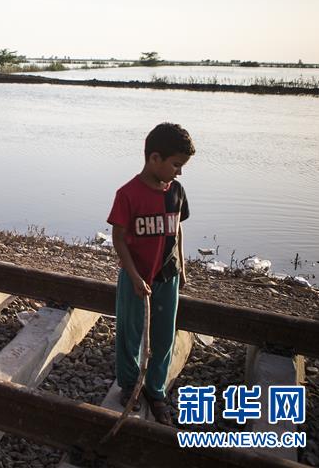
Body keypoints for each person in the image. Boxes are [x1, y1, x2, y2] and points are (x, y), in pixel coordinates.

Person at [107, 122, 195, 426]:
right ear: (154, 158)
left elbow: (178, 228)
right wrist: (132, 275)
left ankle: (156, 391)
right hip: (135, 277)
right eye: (176, 165)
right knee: (129, 334)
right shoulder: (128, 194)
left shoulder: (177, 191)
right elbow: (119, 237)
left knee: (163, 335)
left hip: (166, 276)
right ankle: (130, 385)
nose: (179, 172)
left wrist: (181, 266)